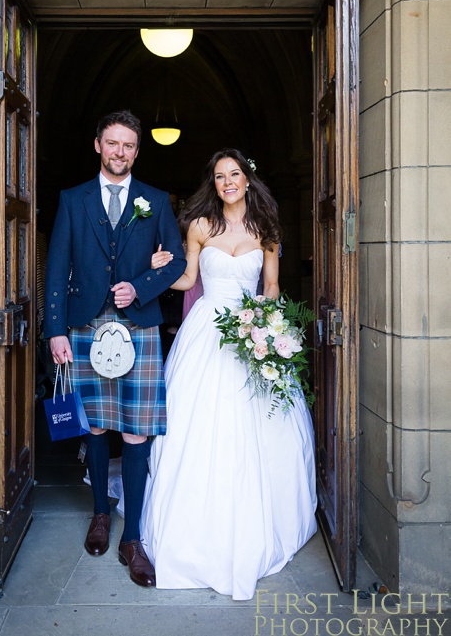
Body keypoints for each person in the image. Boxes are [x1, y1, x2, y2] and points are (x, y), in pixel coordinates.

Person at [141, 148, 317, 601]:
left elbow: (272, 285)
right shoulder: (200, 226)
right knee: (198, 425)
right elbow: (188, 279)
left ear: (247, 178)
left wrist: (270, 328)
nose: (227, 183)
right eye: (219, 176)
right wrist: (162, 269)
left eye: (233, 174)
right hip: (206, 331)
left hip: (252, 328)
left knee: (256, 426)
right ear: (213, 184)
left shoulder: (267, 230)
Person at [43, 110, 186, 587]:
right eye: (112, 143)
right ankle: (101, 513)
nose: (120, 152)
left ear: (137, 151)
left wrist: (141, 287)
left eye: (128, 145)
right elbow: (56, 264)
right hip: (85, 325)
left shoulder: (155, 200)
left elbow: (179, 261)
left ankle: (134, 538)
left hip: (138, 326)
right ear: (98, 145)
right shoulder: (72, 199)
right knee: (99, 425)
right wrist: (55, 329)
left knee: (137, 432)